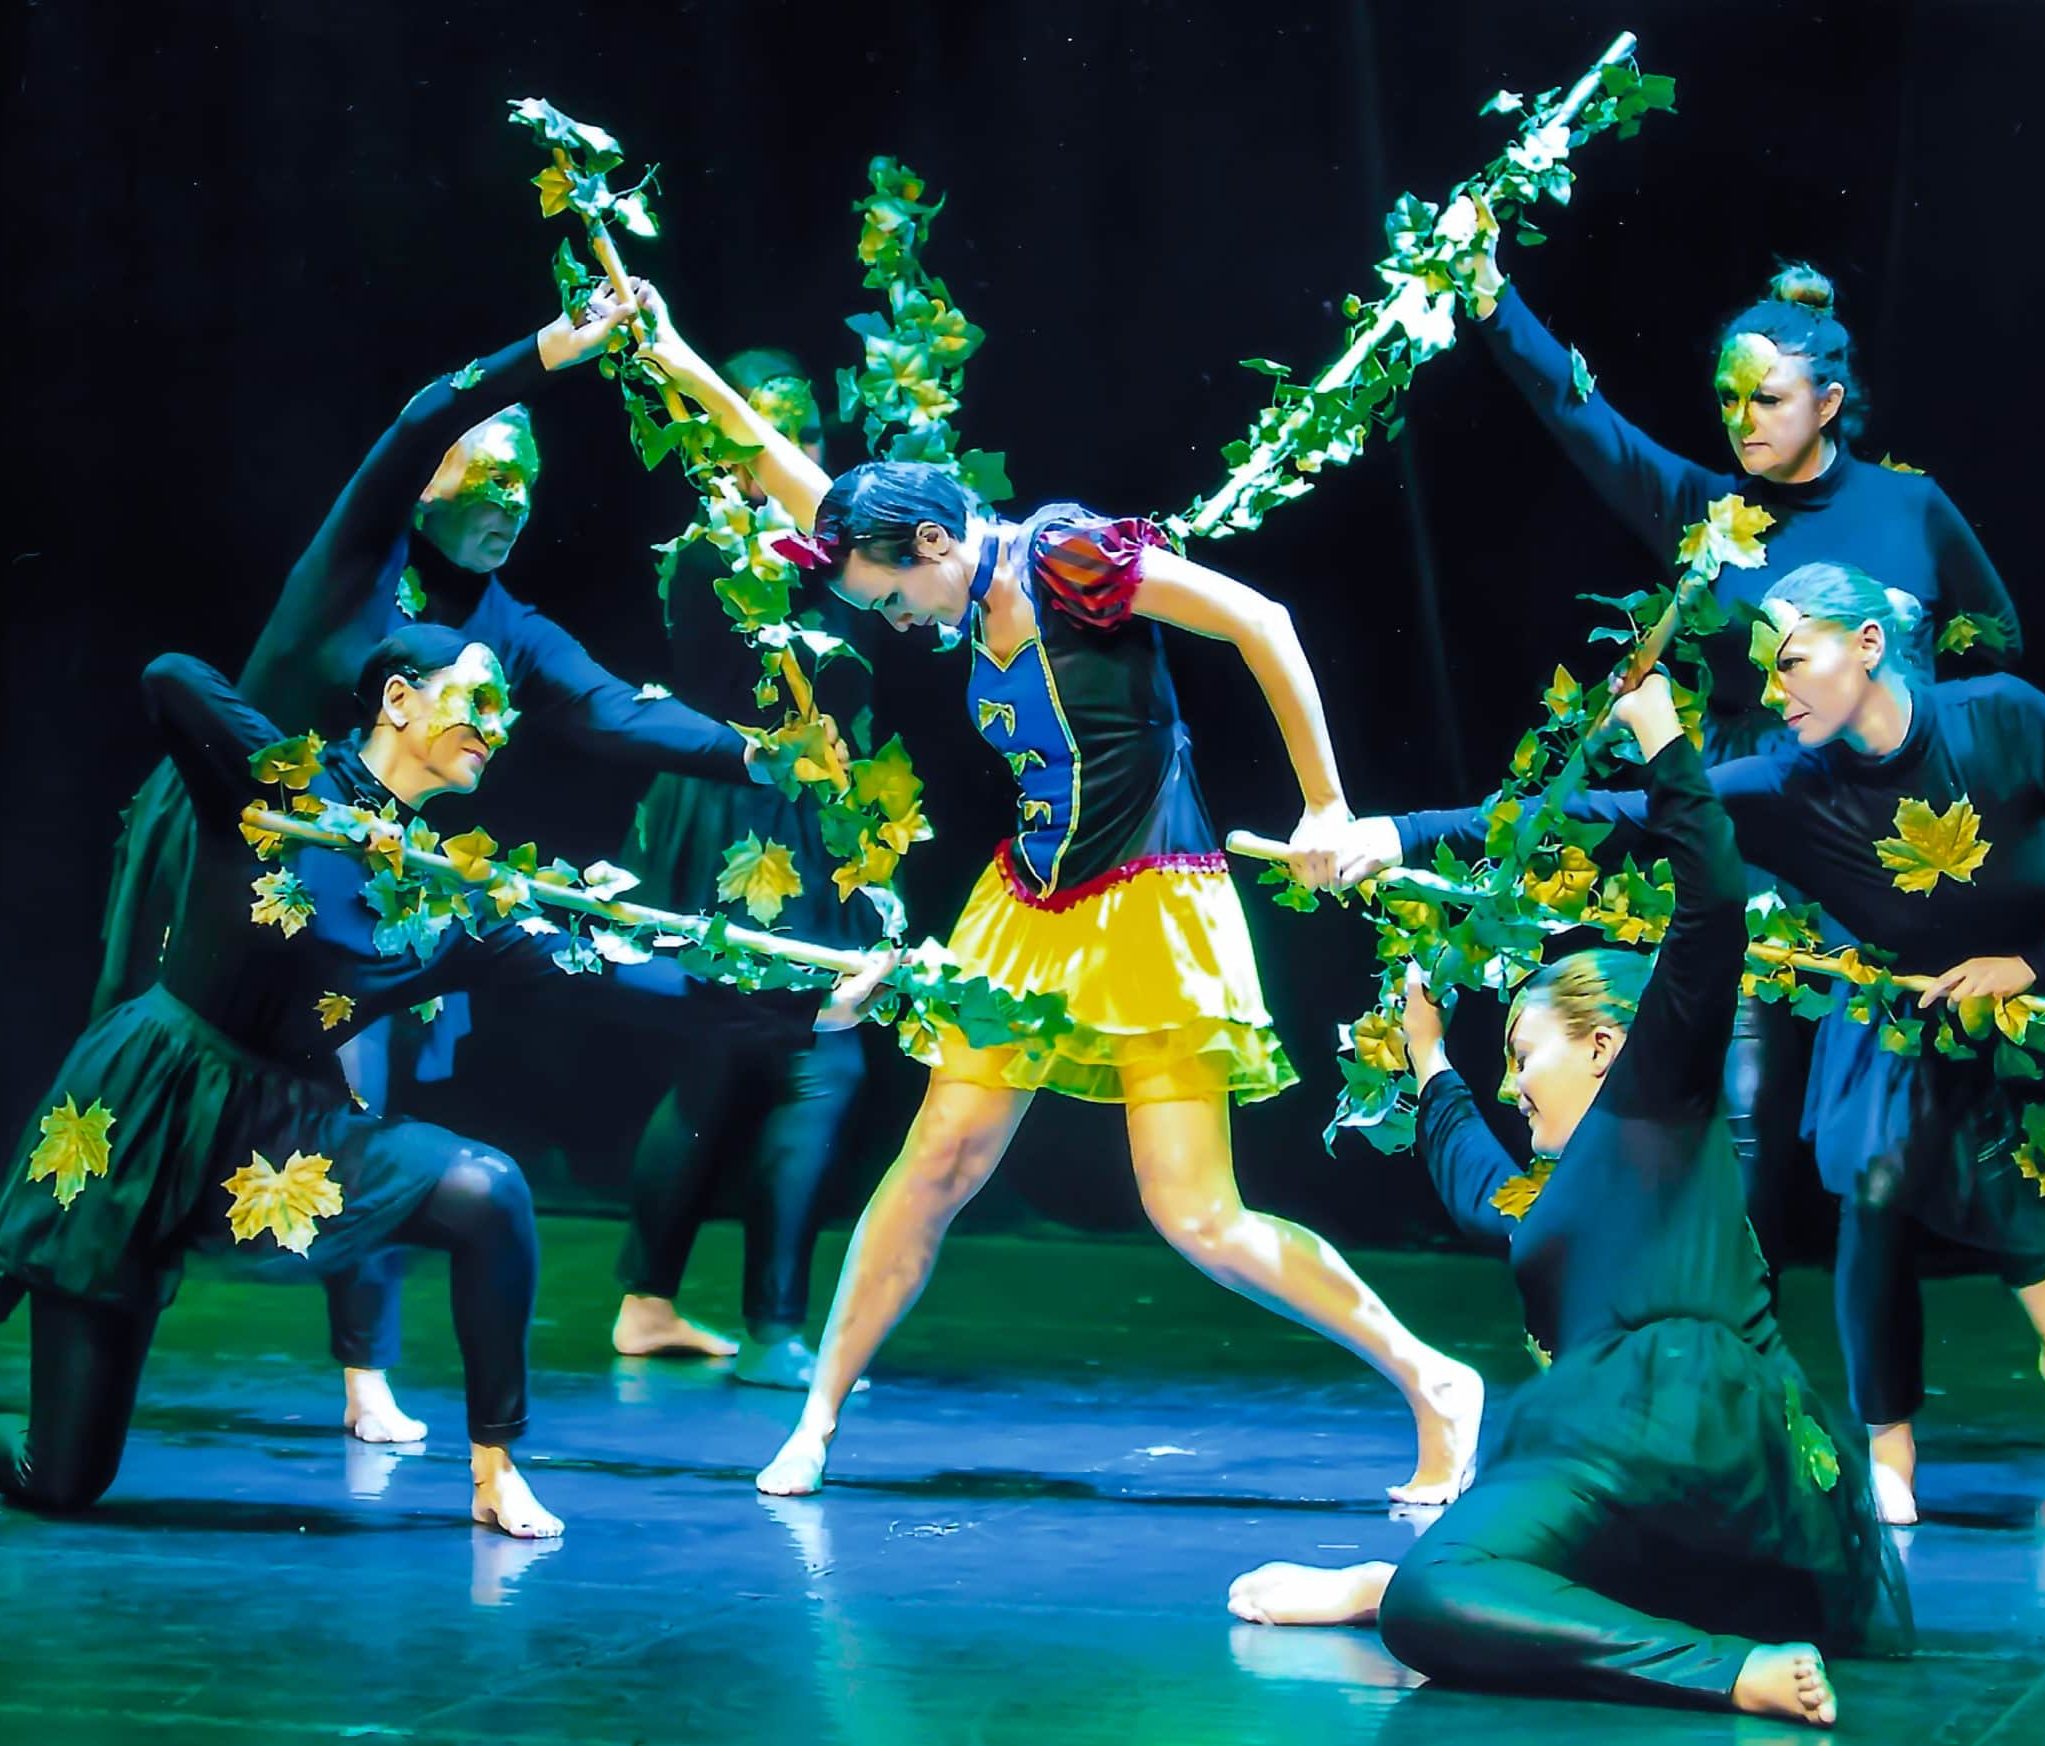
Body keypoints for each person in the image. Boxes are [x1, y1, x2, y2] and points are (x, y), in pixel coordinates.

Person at [632, 284, 1485, 1502]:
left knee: (1196, 1216)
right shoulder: (932, 571)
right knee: (934, 1163)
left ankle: (1432, 1377)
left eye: (888, 595)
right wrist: (668, 347)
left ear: (933, 543)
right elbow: (781, 470)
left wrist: (1326, 806)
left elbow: (1261, 620)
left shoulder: (1072, 558)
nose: (894, 619)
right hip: (1028, 910)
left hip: (1151, 905)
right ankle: (817, 1422)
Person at [90, 277, 822, 1446]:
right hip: (229, 856)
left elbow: (610, 713)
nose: (514, 502)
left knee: (357, 1097)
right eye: (490, 476)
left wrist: (762, 756)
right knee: (147, 1092)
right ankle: (84, 1284)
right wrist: (545, 351)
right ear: (431, 482)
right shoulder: (360, 557)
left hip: (359, 885)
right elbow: (421, 419)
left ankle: (364, 1375)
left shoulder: (507, 626)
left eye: (529, 486)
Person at [1329, 561, 2045, 1523]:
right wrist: (1400, 835)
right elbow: (1606, 817)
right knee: (1880, 1183)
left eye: (1792, 663)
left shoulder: (2002, 716)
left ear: (1866, 646)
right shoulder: (1786, 784)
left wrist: (2031, 965)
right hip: (1932, 1017)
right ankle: (1890, 1450)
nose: (1773, 694)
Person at [4, 628, 885, 1536]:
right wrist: (314, 796)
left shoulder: (448, 900)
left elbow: (623, 978)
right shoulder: (283, 791)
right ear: (397, 700)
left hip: (279, 1137)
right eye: (478, 702)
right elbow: (169, 672)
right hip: (147, 1106)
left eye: (508, 713)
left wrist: (809, 1010)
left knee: (486, 1191)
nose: (497, 729)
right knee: (57, 1480)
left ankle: (495, 1472)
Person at [1227, 671, 1909, 1726]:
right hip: (1739, 1484)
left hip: (1667, 1419)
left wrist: (1658, 737)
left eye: (1520, 1054)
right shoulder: (1566, 1187)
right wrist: (1428, 1064)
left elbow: (1713, 902)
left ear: (1603, 1045)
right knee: (1452, 1584)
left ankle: (1714, 1667)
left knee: (1432, 1598)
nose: (1510, 1084)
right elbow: (1482, 1193)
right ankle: (1421, 1595)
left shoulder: (1656, 1099)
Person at [1457, 248, 2025, 1262]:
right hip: (1752, 832)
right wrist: (1492, 300)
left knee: (1899, 1118)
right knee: (1744, 1100)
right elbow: (1580, 415)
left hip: (1882, 834)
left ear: (1828, 400)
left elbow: (1994, 636)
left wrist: (1929, 732)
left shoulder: (1910, 511)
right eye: (1726, 398)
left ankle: (2031, 1351)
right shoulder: (1704, 516)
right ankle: (1735, 1355)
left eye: (1765, 397)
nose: (1741, 417)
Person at [612, 349, 874, 1388]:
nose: (784, 449)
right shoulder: (712, 550)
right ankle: (734, 1321)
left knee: (809, 1060)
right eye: (759, 428)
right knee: (746, 1057)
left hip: (825, 821)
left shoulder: (844, 549)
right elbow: (741, 680)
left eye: (800, 428)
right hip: (730, 814)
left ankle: (731, 1315)